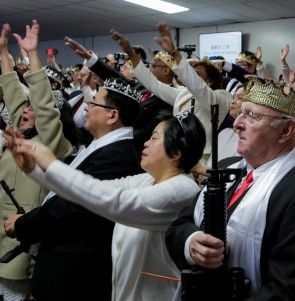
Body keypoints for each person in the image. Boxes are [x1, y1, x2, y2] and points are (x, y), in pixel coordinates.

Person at [4, 111, 206, 300]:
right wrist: (36, 170)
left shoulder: (182, 190)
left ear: (175, 152)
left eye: (154, 138)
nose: (145, 143)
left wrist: (51, 164)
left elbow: (115, 202)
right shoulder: (146, 180)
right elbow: (90, 193)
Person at [165, 79, 295, 300]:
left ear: (286, 130)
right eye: (241, 113)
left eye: (252, 116)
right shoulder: (228, 167)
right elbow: (179, 226)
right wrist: (192, 243)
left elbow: (287, 290)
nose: (236, 124)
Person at [3, 75, 142, 301]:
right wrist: (33, 170)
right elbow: (69, 188)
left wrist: (23, 223)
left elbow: (71, 206)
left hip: (76, 272)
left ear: (112, 115)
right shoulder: (102, 146)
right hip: (63, 264)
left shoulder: (116, 155)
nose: (86, 107)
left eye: (94, 103)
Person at [0, 21, 76, 301]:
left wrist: (33, 59)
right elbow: (14, 97)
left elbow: (44, 109)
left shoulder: (54, 145)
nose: (25, 112)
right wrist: (3, 56)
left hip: (20, 245)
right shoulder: (20, 136)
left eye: (32, 108)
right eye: (25, 108)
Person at [110, 24, 231, 165]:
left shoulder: (222, 97)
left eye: (196, 74)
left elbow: (199, 89)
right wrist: (131, 53)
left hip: (202, 158)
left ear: (210, 80)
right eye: (191, 72)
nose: (189, 76)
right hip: (177, 153)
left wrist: (174, 53)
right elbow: (153, 85)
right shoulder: (183, 94)